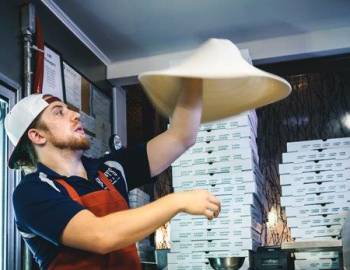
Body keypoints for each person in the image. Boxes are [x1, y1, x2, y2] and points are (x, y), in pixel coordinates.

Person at [4, 79, 221, 270]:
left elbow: (182, 137)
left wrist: (194, 86)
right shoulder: (32, 192)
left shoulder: (110, 169)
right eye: (59, 112)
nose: (75, 115)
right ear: (37, 135)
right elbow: (101, 236)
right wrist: (177, 201)